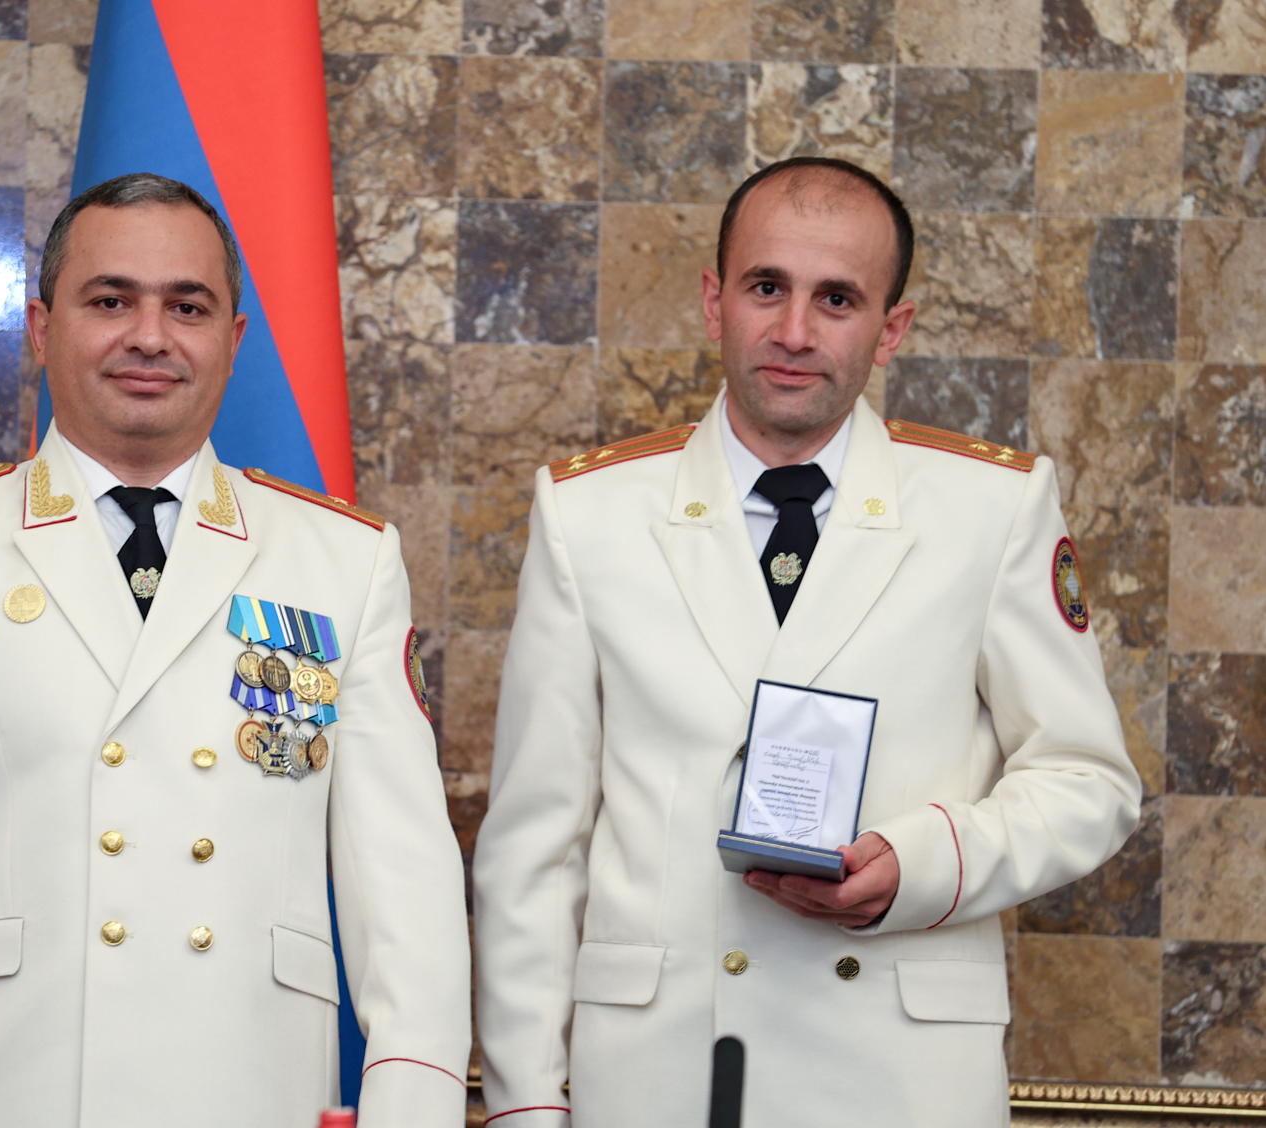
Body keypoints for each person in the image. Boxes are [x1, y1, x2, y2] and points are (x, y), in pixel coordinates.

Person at [0, 173, 470, 1128]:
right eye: (110, 301)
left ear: (233, 338)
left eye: (188, 307)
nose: (150, 336)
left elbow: (410, 902)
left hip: (247, 1097)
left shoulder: (343, 565)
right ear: (41, 327)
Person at [471, 157, 1141, 1127]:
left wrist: (923, 862)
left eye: (836, 298)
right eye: (766, 288)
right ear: (714, 301)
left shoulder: (991, 509)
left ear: (890, 327)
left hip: (900, 1079)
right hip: (661, 1077)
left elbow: (1090, 781)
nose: (794, 331)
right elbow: (535, 848)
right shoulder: (591, 512)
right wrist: (527, 1106)